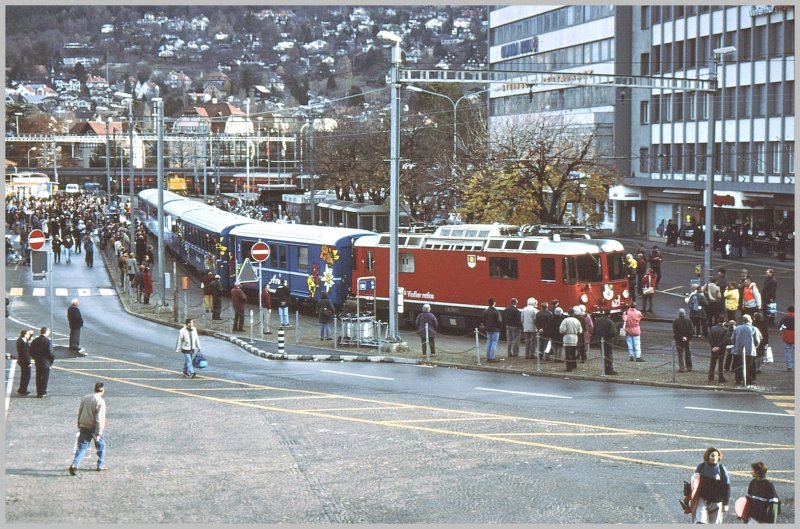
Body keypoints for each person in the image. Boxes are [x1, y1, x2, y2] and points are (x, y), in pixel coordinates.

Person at [68, 382, 107, 475]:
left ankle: (74, 464)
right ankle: (100, 465)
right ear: (102, 390)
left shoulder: (85, 398)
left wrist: (79, 423)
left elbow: (80, 411)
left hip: (84, 425)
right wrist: (99, 432)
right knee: (101, 446)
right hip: (94, 428)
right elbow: (99, 418)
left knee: (82, 447)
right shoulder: (100, 401)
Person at [691, 447, 731, 524]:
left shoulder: (721, 469)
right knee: (700, 522)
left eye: (716, 456)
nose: (714, 458)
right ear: (708, 456)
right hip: (702, 500)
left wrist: (725, 504)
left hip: (716, 502)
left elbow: (727, 487)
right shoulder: (701, 467)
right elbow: (694, 483)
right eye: (712, 456)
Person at [732, 314, 761, 385]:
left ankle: (738, 379)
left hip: (738, 350)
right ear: (749, 320)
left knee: (738, 365)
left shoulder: (737, 328)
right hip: (750, 350)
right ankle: (748, 380)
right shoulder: (754, 328)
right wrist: (755, 346)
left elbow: (732, 339)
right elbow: (757, 341)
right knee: (749, 366)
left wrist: (736, 344)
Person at [29, 326, 54, 397]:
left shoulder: (35, 340)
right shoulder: (48, 341)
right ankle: (43, 392)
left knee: (38, 377)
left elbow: (31, 351)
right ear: (46, 332)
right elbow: (51, 353)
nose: (49, 332)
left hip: (38, 361)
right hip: (46, 362)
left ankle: (38, 392)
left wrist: (35, 358)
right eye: (49, 331)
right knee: (45, 378)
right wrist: (51, 362)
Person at [593, 311, 618, 375]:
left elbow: (594, 330)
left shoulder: (598, 320)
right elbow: (614, 332)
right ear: (609, 314)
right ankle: (609, 369)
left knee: (603, 354)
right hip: (608, 340)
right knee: (609, 354)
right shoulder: (610, 321)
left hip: (600, 339)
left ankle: (604, 368)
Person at [559, 308, 582, 372]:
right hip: (575, 337)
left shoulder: (565, 320)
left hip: (567, 337)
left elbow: (562, 330)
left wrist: (564, 332)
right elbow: (580, 330)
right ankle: (574, 365)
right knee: (573, 352)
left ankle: (569, 367)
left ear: (568, 313)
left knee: (568, 353)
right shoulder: (577, 320)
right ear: (573, 313)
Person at [673, 308, 694, 373]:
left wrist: (681, 337)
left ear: (678, 314)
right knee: (688, 353)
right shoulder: (689, 321)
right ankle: (689, 367)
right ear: (684, 314)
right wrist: (686, 337)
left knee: (680, 354)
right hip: (687, 340)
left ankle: (681, 368)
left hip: (679, 340)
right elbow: (691, 331)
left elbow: (675, 331)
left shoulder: (675, 321)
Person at [482, 297, 502, 363]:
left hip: (488, 329)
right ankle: (492, 357)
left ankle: (488, 357)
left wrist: (486, 326)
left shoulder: (486, 310)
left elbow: (484, 320)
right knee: (494, 343)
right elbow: (499, 321)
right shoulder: (496, 311)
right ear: (494, 303)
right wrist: (499, 328)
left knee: (489, 342)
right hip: (495, 329)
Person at [16, 328, 34, 396]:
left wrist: (31, 334)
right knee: (26, 376)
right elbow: (25, 354)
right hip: (24, 362)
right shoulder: (22, 343)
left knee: (24, 376)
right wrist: (29, 363)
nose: (29, 335)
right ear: (25, 334)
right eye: (28, 334)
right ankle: (22, 391)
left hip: (22, 361)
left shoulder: (20, 340)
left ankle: (21, 390)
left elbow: (27, 340)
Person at [752, 312, 769, 377]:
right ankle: (758, 368)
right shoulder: (763, 324)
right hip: (762, 342)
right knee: (759, 355)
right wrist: (766, 342)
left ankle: (752, 367)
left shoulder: (752, 324)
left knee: (753, 355)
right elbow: (766, 334)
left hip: (753, 341)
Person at [777, 306, 794, 372]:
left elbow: (779, 327)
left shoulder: (785, 318)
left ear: (788, 311)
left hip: (787, 335)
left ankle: (789, 366)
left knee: (787, 351)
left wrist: (783, 329)